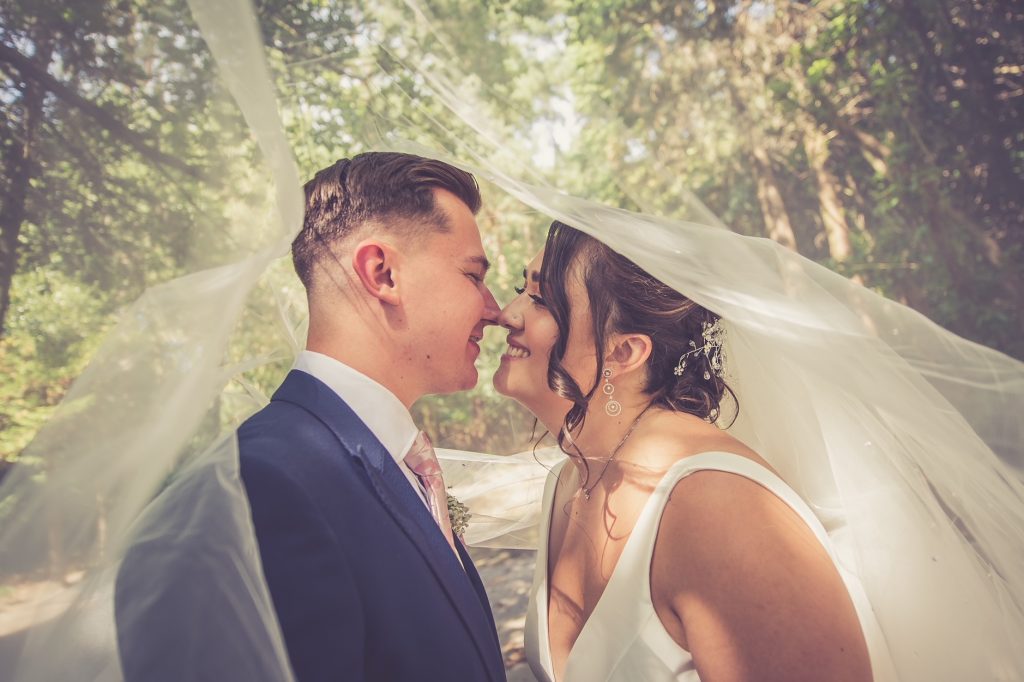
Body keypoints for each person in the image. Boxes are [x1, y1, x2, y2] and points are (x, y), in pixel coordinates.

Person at [115, 152, 507, 682]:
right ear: (382, 272)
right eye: (473, 276)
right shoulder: (267, 484)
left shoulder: (393, 460)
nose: (495, 308)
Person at [494, 221, 878, 682]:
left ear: (624, 351)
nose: (506, 313)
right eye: (522, 289)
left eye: (540, 300)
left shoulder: (720, 506)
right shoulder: (567, 481)